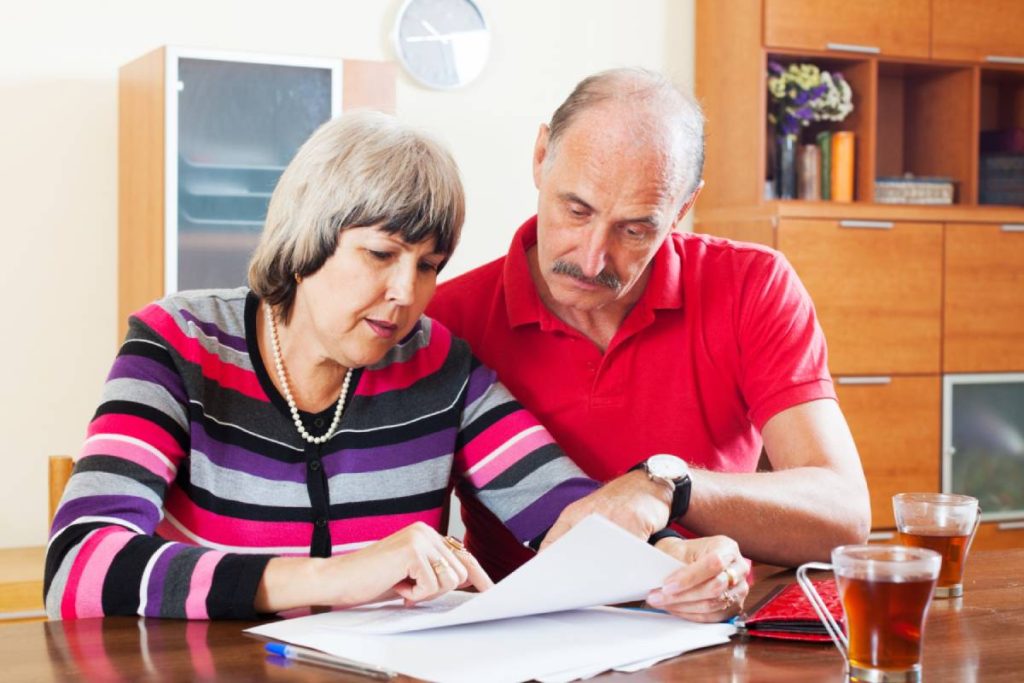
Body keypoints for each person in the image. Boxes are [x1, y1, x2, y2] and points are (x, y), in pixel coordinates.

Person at [46, 110, 749, 622]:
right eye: (380, 255)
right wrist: (337, 576)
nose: (405, 294)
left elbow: (571, 518)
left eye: (429, 266)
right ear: (308, 235)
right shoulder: (178, 345)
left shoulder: (439, 365)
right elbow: (78, 564)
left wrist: (676, 564)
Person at [427, 68, 872, 583]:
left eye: (635, 230)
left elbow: (844, 513)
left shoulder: (752, 285)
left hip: (706, 631)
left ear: (683, 207)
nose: (592, 260)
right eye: (576, 210)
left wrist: (666, 485)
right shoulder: (445, 320)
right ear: (540, 156)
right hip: (520, 638)